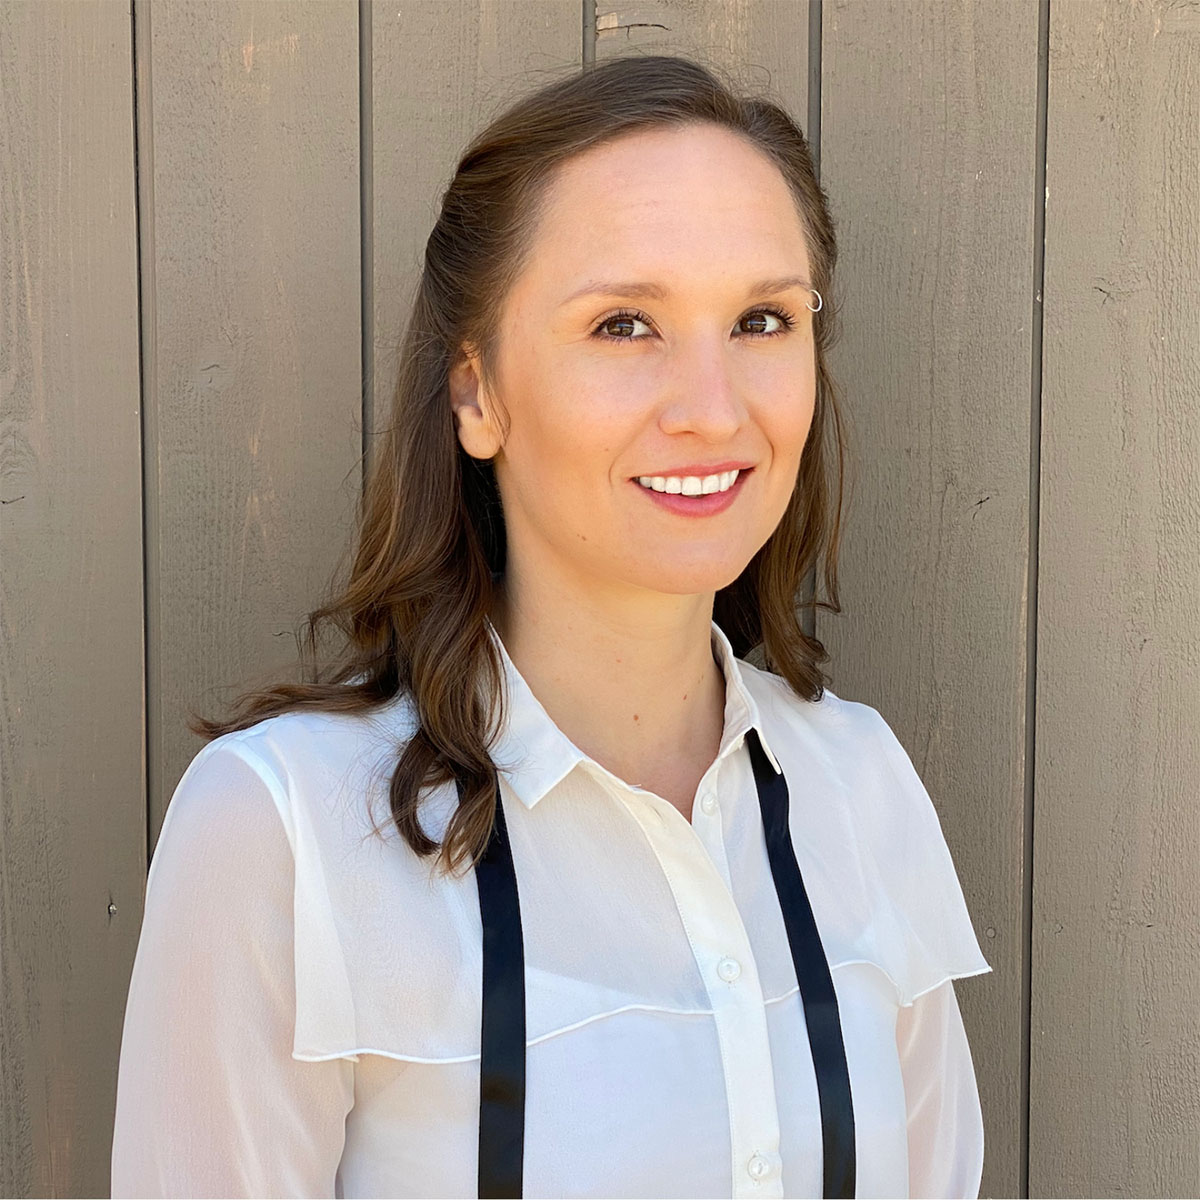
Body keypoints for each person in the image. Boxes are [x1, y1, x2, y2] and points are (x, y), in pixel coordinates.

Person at [110, 54, 992, 1200]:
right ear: (477, 393)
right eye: (625, 325)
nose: (714, 408)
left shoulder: (862, 787)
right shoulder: (284, 833)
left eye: (763, 320)